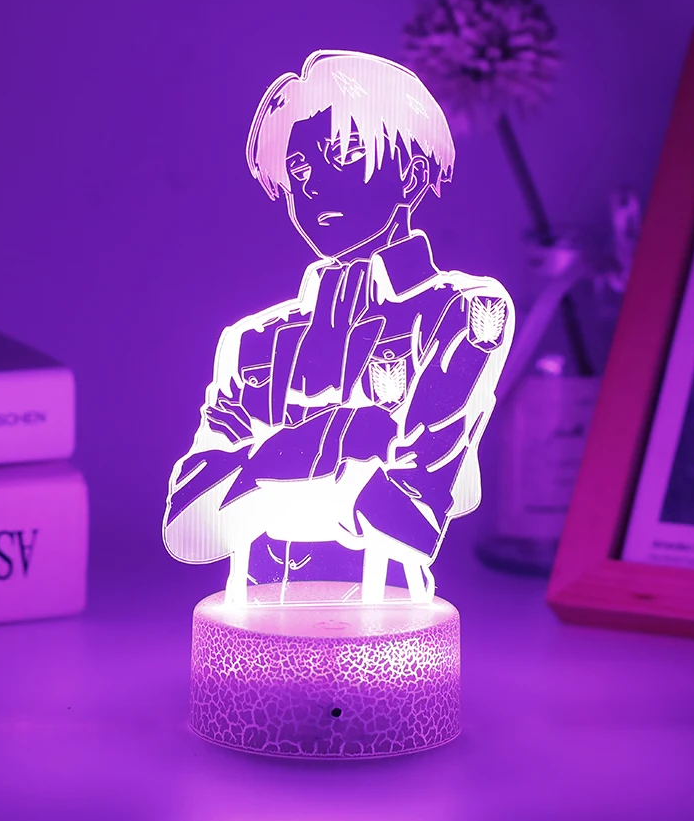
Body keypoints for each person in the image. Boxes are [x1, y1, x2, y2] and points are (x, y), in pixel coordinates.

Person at [163, 51, 514, 602]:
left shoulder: (462, 311)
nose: (314, 186)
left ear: (412, 176)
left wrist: (256, 474)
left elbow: (411, 513)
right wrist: (337, 437)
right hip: (257, 618)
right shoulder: (251, 341)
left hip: (390, 623)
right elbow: (188, 526)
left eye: (344, 155)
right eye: (299, 170)